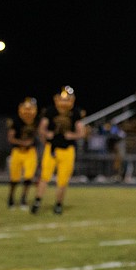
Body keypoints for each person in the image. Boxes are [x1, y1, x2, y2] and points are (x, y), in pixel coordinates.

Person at [31, 86, 87, 215]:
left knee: (62, 180)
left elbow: (81, 132)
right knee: (44, 176)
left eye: (67, 98)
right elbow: (41, 128)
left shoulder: (76, 112)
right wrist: (46, 138)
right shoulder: (50, 111)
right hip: (51, 148)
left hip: (67, 149)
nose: (65, 101)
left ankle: (58, 204)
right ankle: (37, 201)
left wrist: (71, 135)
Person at [6, 97, 40, 209]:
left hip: (30, 152)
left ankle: (23, 199)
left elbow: (40, 133)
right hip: (17, 151)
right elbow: (10, 138)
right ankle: (11, 198)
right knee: (14, 179)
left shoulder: (37, 121)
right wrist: (23, 142)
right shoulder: (16, 121)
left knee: (28, 177)